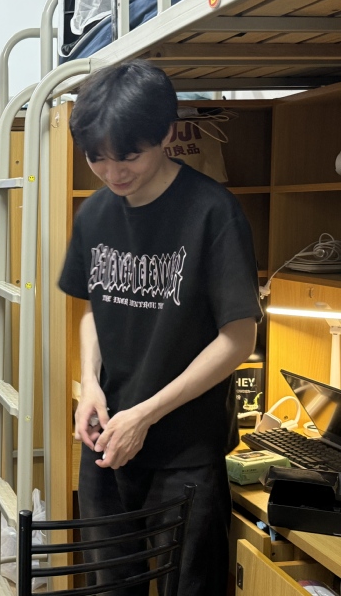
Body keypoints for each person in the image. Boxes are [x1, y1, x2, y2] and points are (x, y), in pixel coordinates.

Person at [59, 60, 262, 595]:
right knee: (110, 586)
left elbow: (239, 338)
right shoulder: (94, 214)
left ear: (168, 134)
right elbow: (94, 308)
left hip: (183, 453)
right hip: (107, 441)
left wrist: (146, 414)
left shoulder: (212, 212)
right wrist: (89, 386)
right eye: (97, 157)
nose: (112, 172)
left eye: (128, 156)